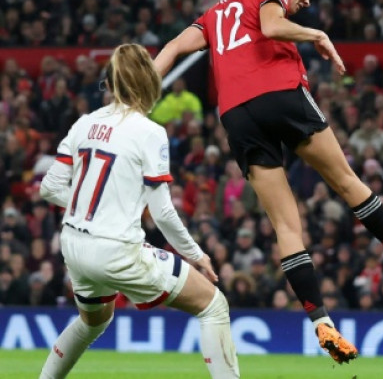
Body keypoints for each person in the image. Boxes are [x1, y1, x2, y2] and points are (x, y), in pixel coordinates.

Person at [154, 0, 383, 363]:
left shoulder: (216, 11)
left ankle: (320, 320)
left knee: (286, 225)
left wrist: (137, 97)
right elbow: (271, 26)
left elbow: (172, 49)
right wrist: (316, 34)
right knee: (344, 179)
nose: (306, 1)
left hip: (236, 114)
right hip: (278, 91)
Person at [38, 45, 239, 378]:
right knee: (213, 306)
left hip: (73, 244)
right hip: (116, 249)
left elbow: (50, 187)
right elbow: (162, 213)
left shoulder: (85, 123)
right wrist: (196, 254)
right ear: (149, 82)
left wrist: (92, 205)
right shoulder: (150, 133)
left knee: (92, 323)